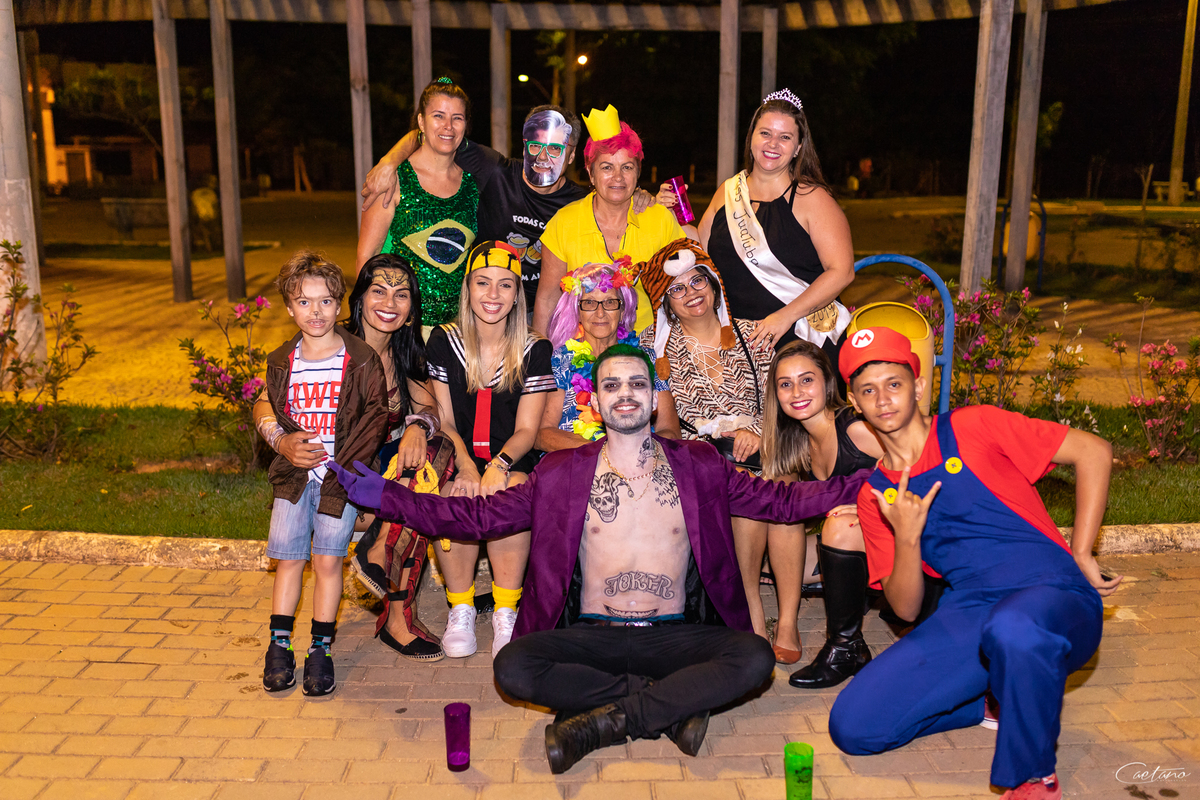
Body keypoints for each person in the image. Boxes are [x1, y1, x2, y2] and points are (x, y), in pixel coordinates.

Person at [329, 343, 869, 774]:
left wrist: (865, 482)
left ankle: (604, 722)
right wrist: (389, 498)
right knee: (513, 667)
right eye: (612, 385)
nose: (625, 394)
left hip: (675, 636)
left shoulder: (700, 464)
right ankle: (668, 709)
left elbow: (780, 501)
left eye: (637, 384)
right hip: (593, 636)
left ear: (654, 399)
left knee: (753, 658)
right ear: (595, 403)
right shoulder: (560, 473)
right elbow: (478, 518)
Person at [827, 326, 1122, 800]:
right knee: (854, 726)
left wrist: (1083, 551)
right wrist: (907, 537)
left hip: (1053, 594)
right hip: (972, 611)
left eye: (894, 383)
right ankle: (997, 698)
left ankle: (1033, 778)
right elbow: (905, 609)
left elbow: (1093, 450)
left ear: (919, 386)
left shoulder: (972, 426)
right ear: (854, 402)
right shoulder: (874, 495)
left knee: (1014, 628)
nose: (883, 399)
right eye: (868, 390)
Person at [636, 238, 783, 653]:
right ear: (665, 302)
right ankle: (750, 617)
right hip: (698, 457)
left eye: (697, 281)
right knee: (741, 485)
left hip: (763, 447)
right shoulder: (652, 347)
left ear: (714, 283)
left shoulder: (753, 333)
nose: (690, 293)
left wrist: (758, 430)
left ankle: (781, 621)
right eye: (677, 289)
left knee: (771, 479)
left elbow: (781, 402)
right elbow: (661, 422)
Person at [253, 251, 388, 696]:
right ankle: (279, 645)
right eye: (304, 302)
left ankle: (320, 648)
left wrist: (346, 472)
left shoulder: (361, 359)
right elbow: (269, 409)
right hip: (293, 481)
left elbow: (375, 418)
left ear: (339, 303)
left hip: (338, 482)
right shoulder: (281, 361)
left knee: (328, 561)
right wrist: (282, 443)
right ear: (289, 308)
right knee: (290, 561)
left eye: (326, 301)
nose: (316, 312)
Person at [425, 241, 555, 659]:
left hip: (511, 454)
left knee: (510, 495)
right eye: (482, 283)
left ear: (517, 294)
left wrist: (499, 465)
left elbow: (528, 430)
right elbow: (445, 421)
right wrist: (466, 466)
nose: (493, 294)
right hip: (459, 452)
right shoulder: (444, 341)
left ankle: (505, 609)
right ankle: (461, 607)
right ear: (467, 289)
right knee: (453, 496)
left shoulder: (534, 348)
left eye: (505, 284)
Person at [658, 89, 854, 362]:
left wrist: (784, 317)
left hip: (801, 338)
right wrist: (669, 215)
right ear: (751, 137)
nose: (773, 143)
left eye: (785, 137)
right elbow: (700, 248)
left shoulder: (812, 198)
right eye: (765, 133)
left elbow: (842, 272)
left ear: (798, 147)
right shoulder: (728, 191)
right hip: (742, 344)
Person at [361, 105, 591, 315]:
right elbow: (427, 135)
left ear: (572, 155)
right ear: (524, 147)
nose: (542, 157)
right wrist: (388, 162)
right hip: (483, 305)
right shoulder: (495, 171)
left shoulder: (579, 203)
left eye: (555, 149)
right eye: (535, 146)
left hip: (540, 311)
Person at [340, 252, 453, 662]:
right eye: (379, 291)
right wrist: (281, 441)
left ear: (410, 311)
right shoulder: (330, 345)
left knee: (437, 451)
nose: (389, 302)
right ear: (360, 298)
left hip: (383, 481)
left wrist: (418, 427)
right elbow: (267, 400)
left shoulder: (403, 355)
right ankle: (397, 618)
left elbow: (431, 409)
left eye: (401, 294)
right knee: (415, 498)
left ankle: (379, 553)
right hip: (339, 478)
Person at [760, 340, 884, 685]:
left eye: (806, 380)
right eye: (785, 384)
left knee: (838, 527)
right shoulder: (801, 441)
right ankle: (860, 591)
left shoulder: (854, 428)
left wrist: (870, 503)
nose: (796, 392)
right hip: (859, 538)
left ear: (827, 382)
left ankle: (846, 647)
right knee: (783, 566)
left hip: (898, 530)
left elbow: (915, 460)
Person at [535, 105, 689, 336]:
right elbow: (547, 299)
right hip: (578, 350)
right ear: (590, 172)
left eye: (627, 167)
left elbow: (683, 288)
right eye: (607, 167)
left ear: (638, 173)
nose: (618, 177)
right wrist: (539, 353)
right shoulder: (564, 222)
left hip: (647, 347)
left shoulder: (659, 219)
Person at [356, 78, 478, 328]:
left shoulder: (473, 185)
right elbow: (366, 257)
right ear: (421, 121)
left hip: (456, 332)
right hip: (402, 329)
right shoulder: (393, 179)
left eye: (457, 118)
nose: (448, 126)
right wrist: (367, 325)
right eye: (438, 116)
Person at [536, 258, 680, 451]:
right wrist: (602, 453)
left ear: (623, 309)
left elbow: (670, 431)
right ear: (577, 311)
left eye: (610, 302)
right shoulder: (559, 361)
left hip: (642, 458)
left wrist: (635, 453)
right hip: (576, 459)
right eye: (589, 303)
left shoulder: (646, 358)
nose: (600, 313)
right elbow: (543, 433)